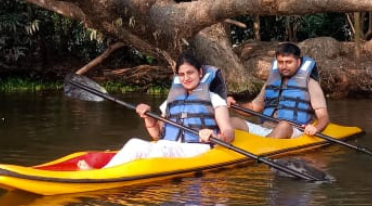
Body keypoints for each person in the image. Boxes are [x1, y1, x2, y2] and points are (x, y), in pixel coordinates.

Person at [96, 51, 235, 169]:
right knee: (135, 143)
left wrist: (216, 137)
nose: (186, 78)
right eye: (181, 74)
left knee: (150, 147)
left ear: (200, 73)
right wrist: (148, 117)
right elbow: (157, 135)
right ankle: (104, 171)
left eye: (190, 73)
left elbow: (229, 132)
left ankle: (101, 176)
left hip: (197, 148)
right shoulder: (171, 101)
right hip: (169, 146)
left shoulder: (214, 98)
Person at [227, 42, 329, 139]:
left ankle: (263, 149)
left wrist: (315, 128)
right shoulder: (271, 82)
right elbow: (253, 107)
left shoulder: (311, 84)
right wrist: (233, 105)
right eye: (280, 62)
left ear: (298, 62)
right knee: (233, 121)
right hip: (265, 129)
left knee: (284, 125)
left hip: (294, 131)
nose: (284, 66)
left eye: (289, 62)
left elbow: (323, 116)